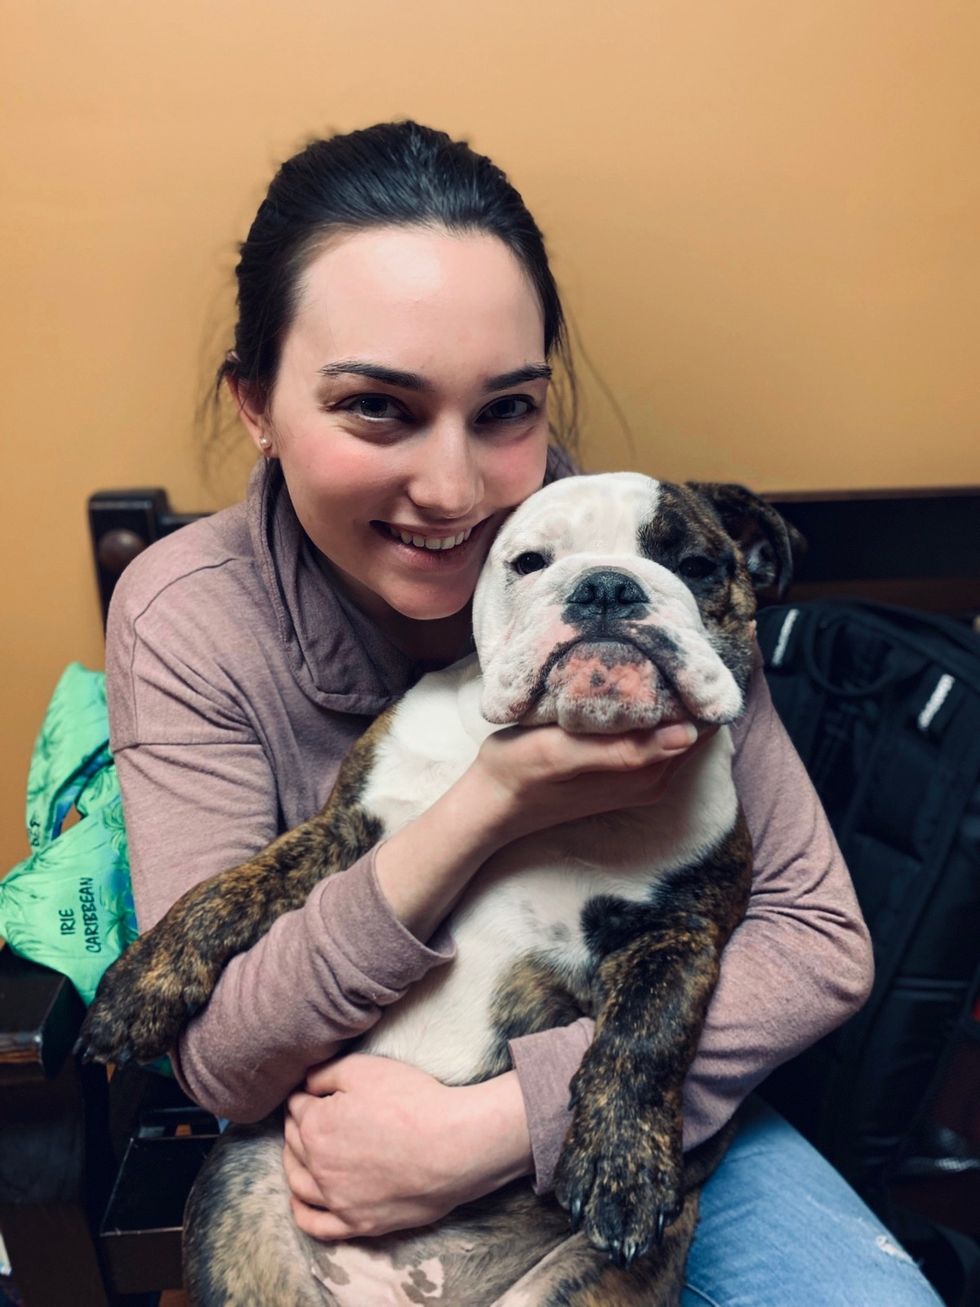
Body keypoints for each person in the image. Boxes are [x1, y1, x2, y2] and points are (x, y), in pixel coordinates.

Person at [105, 121, 941, 1304]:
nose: (453, 488)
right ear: (256, 401)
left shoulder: (648, 566)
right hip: (338, 1128)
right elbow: (226, 1060)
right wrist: (489, 802)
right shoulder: (191, 612)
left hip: (633, 1092)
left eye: (505, 409)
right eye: (375, 406)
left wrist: (501, 1124)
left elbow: (811, 940)